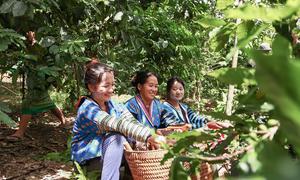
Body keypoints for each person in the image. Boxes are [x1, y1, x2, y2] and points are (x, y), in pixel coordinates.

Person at [71, 62, 160, 180]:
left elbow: (131, 122)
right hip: (88, 161)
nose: (111, 89)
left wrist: (149, 138)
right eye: (106, 85)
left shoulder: (114, 105)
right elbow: (115, 124)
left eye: (113, 85)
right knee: (116, 138)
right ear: (92, 87)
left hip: (109, 156)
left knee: (134, 141)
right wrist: (147, 136)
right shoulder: (87, 109)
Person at [7, 31, 66, 141]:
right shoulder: (31, 47)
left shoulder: (45, 48)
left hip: (40, 80)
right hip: (35, 78)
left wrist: (51, 79)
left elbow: (50, 64)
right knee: (48, 102)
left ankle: (20, 133)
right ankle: (63, 120)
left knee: (27, 105)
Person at [162, 76, 231, 130]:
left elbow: (195, 118)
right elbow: (177, 126)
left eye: (181, 89)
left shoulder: (184, 107)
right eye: (174, 89)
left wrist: (211, 121)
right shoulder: (164, 107)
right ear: (168, 91)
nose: (178, 92)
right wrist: (206, 125)